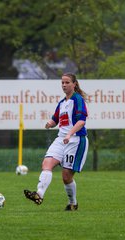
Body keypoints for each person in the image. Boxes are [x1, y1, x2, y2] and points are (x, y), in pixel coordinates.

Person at [24, 72, 89, 211]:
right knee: (46, 163)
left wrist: (70, 134)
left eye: (67, 82)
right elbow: (56, 120)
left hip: (76, 141)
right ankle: (39, 194)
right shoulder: (62, 103)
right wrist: (49, 123)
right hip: (61, 139)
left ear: (74, 84)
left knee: (66, 176)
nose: (64, 85)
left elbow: (81, 122)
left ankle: (73, 203)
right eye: (62, 83)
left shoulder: (78, 100)